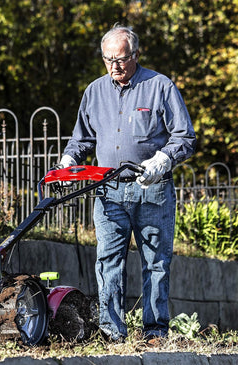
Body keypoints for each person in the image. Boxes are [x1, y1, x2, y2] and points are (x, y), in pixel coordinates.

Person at [60, 25, 196, 342]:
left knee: (156, 262)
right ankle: (112, 331)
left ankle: (155, 331)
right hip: (109, 189)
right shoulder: (94, 92)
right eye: (108, 60)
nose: (114, 67)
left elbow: (185, 138)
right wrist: (69, 161)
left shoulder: (160, 86)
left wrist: (163, 160)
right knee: (108, 261)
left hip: (152, 188)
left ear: (135, 54)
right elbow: (81, 140)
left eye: (120, 59)